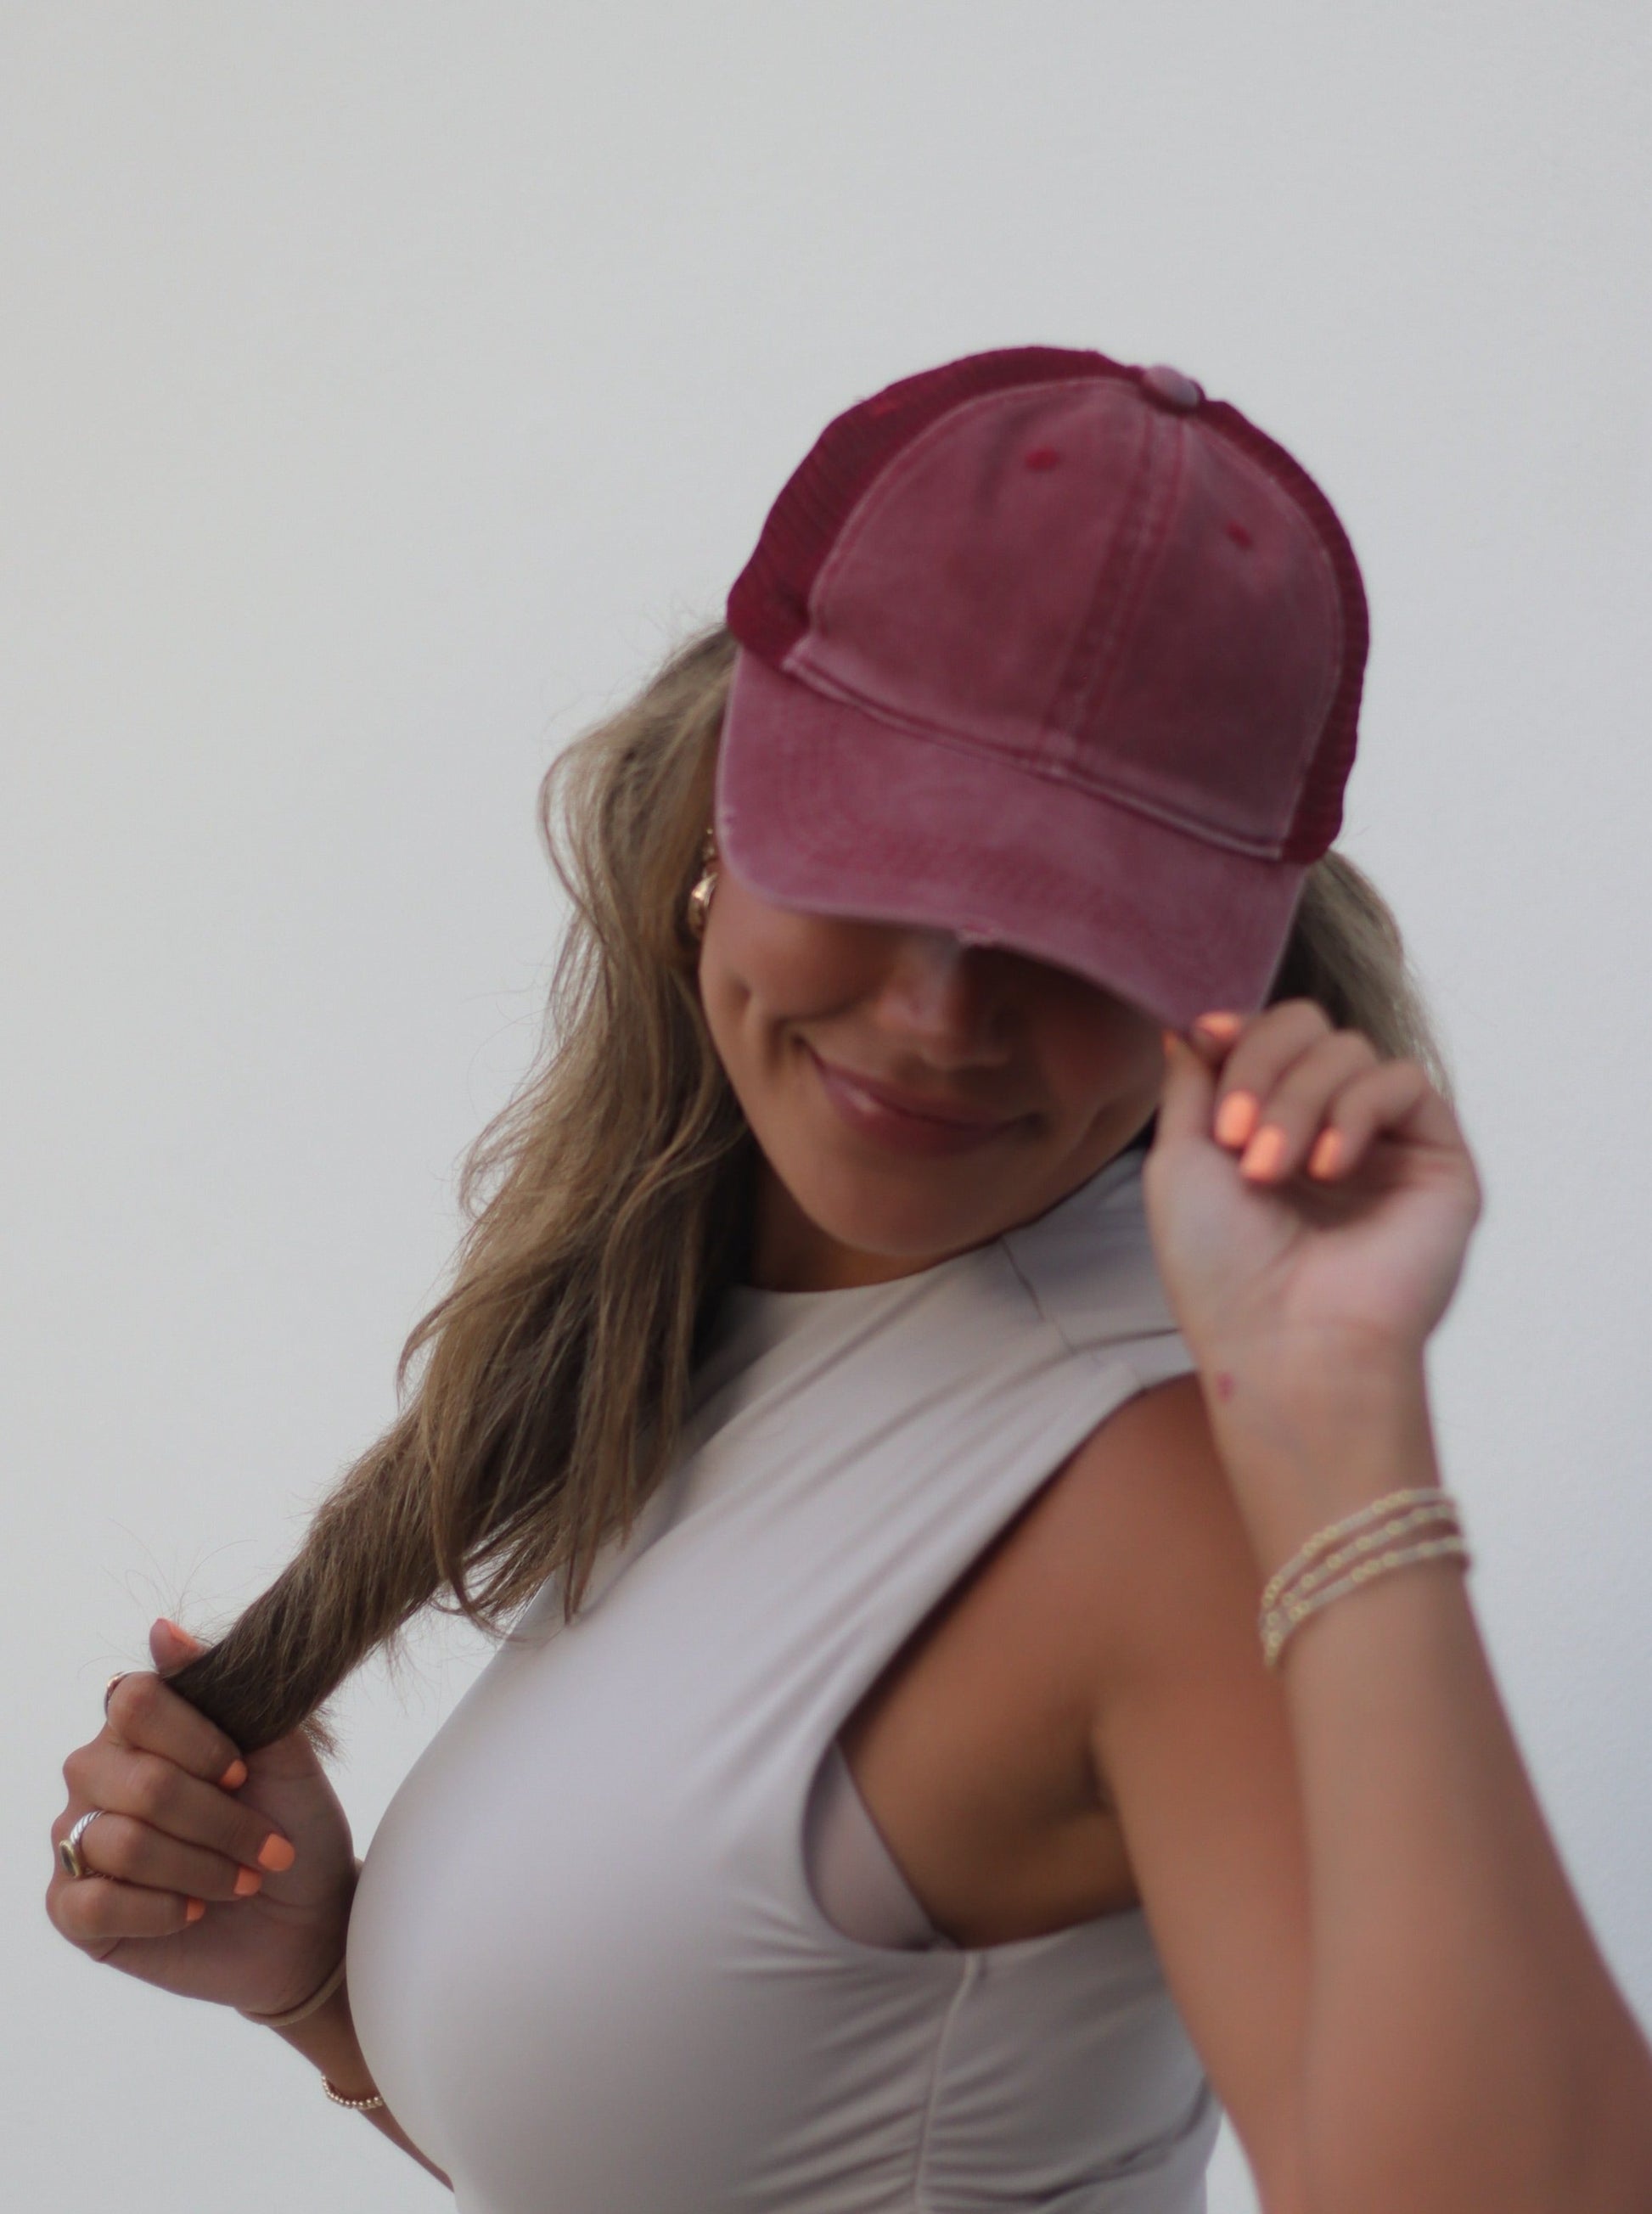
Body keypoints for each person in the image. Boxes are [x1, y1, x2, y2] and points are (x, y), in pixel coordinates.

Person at [47, 346, 1652, 2212]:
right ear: (714, 821)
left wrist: (1344, 1431)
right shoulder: (749, 1329)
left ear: (1222, 971)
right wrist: (329, 1987)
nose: (942, 1015)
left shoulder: (1163, 1487)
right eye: (885, 865)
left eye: (1078, 931)